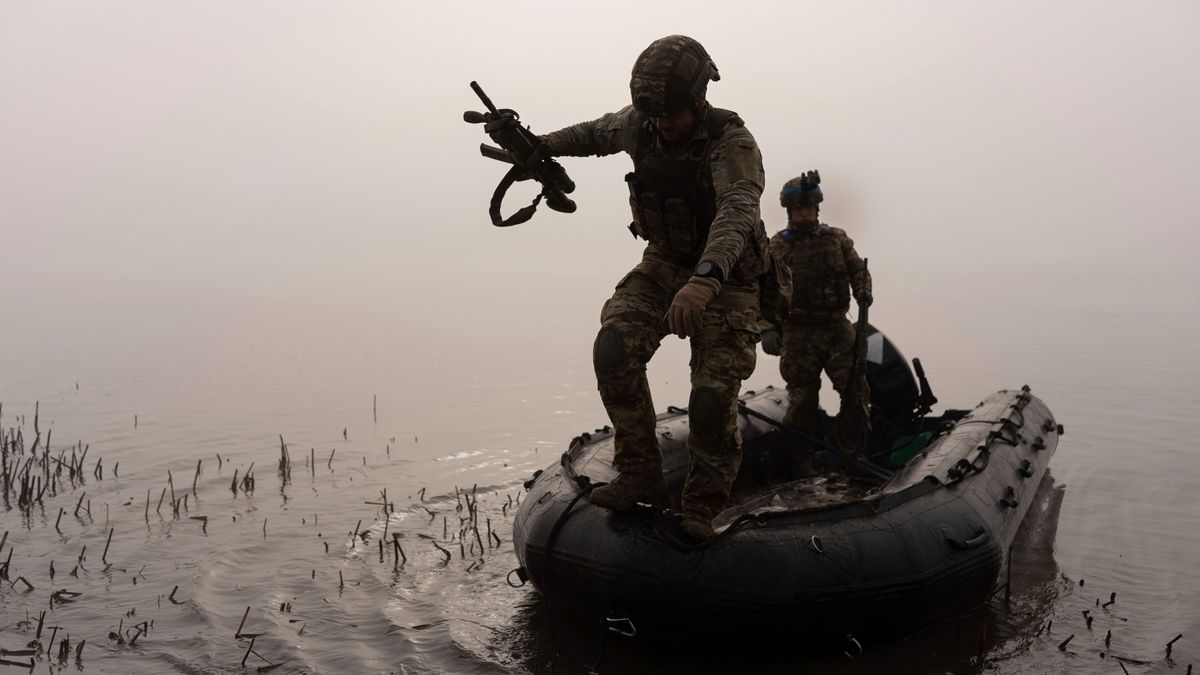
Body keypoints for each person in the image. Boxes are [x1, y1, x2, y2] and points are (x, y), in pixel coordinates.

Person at [535, 35, 770, 541]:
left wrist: (704, 281)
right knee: (614, 347)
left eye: (673, 115)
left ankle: (701, 508)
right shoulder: (642, 122)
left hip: (729, 280)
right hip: (665, 261)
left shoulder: (733, 144)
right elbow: (592, 133)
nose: (663, 125)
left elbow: (736, 212)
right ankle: (639, 470)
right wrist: (540, 145)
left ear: (701, 99)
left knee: (710, 400)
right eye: (655, 115)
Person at [763, 171, 873, 457]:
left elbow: (857, 269)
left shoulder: (836, 239)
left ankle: (853, 453)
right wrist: (766, 328)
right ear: (789, 211)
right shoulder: (777, 247)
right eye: (797, 209)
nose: (803, 214)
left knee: (855, 392)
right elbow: (761, 290)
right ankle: (798, 461)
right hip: (798, 334)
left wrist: (863, 291)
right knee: (801, 400)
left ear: (817, 208)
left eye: (808, 208)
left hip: (838, 329)